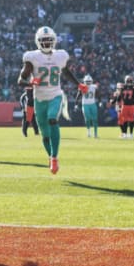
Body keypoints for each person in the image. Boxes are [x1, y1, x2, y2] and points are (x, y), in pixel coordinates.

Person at [17, 25, 87, 175]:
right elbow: (20, 80)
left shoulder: (60, 55)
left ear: (54, 41)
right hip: (39, 98)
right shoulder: (32, 57)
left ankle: (54, 157)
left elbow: (66, 72)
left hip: (55, 95)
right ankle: (50, 155)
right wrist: (30, 83)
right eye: (44, 40)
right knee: (44, 134)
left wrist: (79, 84)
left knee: (52, 120)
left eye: (49, 40)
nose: (47, 43)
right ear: (38, 41)